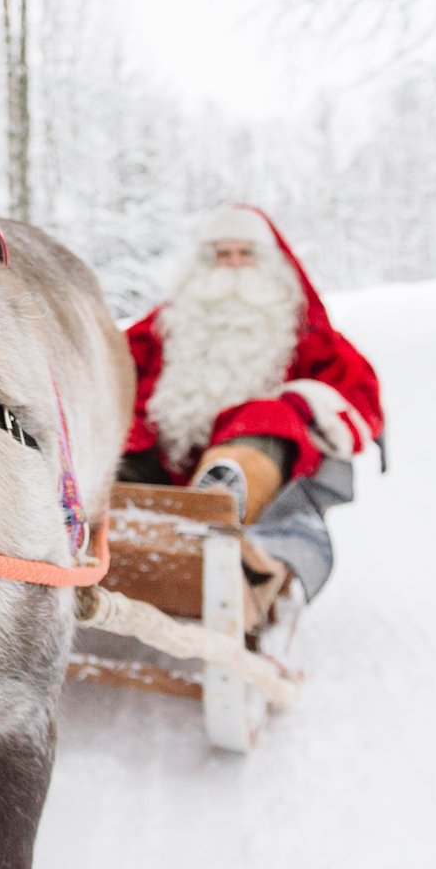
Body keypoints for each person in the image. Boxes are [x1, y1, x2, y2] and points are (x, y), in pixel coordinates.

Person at [119, 205, 383, 591]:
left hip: (258, 468)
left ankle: (222, 499)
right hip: (162, 460)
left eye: (245, 254)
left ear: (269, 263)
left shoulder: (301, 330)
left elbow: (356, 392)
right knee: (120, 441)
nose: (233, 266)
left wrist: (305, 403)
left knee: (267, 415)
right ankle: (107, 510)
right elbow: (109, 360)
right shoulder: (166, 324)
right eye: (221, 255)